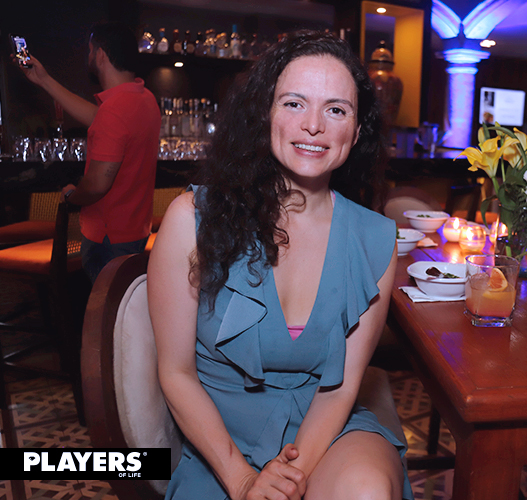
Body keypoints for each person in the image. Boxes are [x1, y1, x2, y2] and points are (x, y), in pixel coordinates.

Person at [147, 30, 412, 500]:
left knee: (366, 490)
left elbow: (340, 389)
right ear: (265, 114)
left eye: (336, 110)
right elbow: (175, 372)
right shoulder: (192, 220)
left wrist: (287, 481)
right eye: (294, 103)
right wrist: (244, 480)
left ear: (356, 131)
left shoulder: (376, 239)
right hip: (221, 447)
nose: (314, 125)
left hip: (327, 435)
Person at [16, 22, 161, 283]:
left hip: (108, 238)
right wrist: (44, 80)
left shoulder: (114, 110)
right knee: (121, 303)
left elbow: (96, 185)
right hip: (135, 230)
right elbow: (99, 118)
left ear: (101, 55)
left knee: (100, 307)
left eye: (91, 50)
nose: (89, 55)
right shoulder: (145, 99)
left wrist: (72, 195)